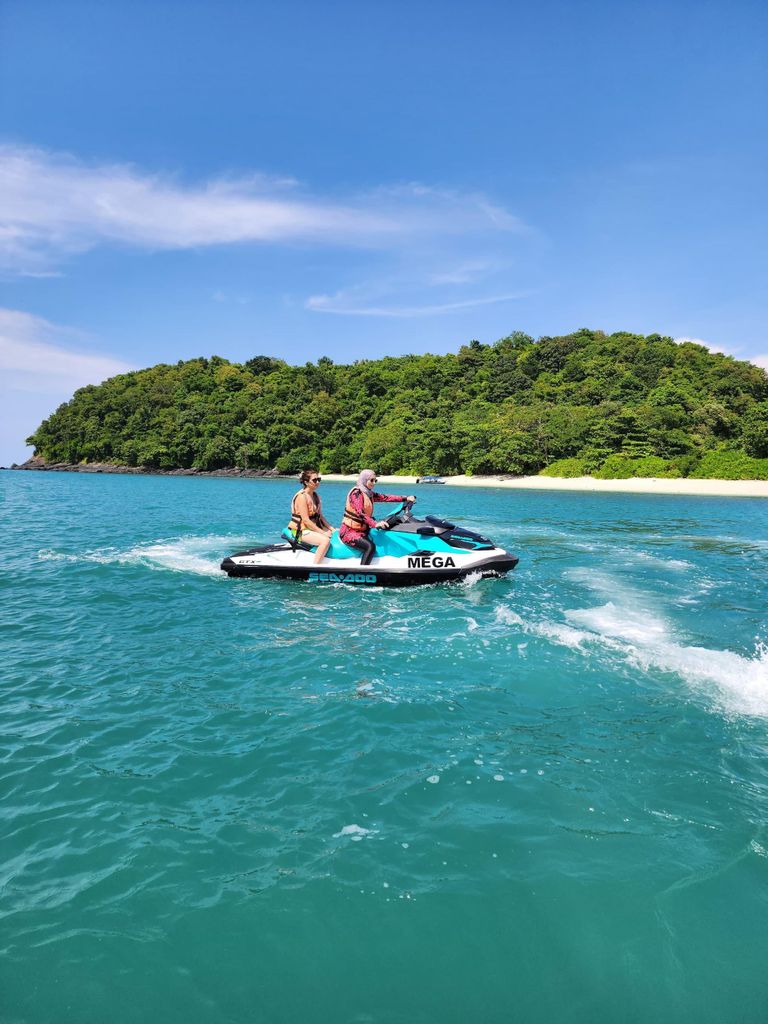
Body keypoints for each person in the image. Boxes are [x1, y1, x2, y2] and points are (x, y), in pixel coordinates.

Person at [339, 469, 416, 565]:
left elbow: (385, 497)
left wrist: (405, 498)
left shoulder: (368, 493)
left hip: (363, 529)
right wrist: (375, 524)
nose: (374, 483)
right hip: (349, 531)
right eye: (371, 480)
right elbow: (360, 513)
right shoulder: (356, 494)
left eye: (375, 480)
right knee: (370, 547)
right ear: (364, 480)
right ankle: (363, 571)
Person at [287, 469, 335, 564]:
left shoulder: (316, 496)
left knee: (334, 534)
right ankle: (316, 566)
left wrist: (331, 528)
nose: (317, 482)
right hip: (300, 531)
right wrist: (322, 532)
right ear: (306, 482)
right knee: (325, 541)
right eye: (314, 480)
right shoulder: (302, 497)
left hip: (311, 528)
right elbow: (306, 520)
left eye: (318, 479)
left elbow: (320, 516)